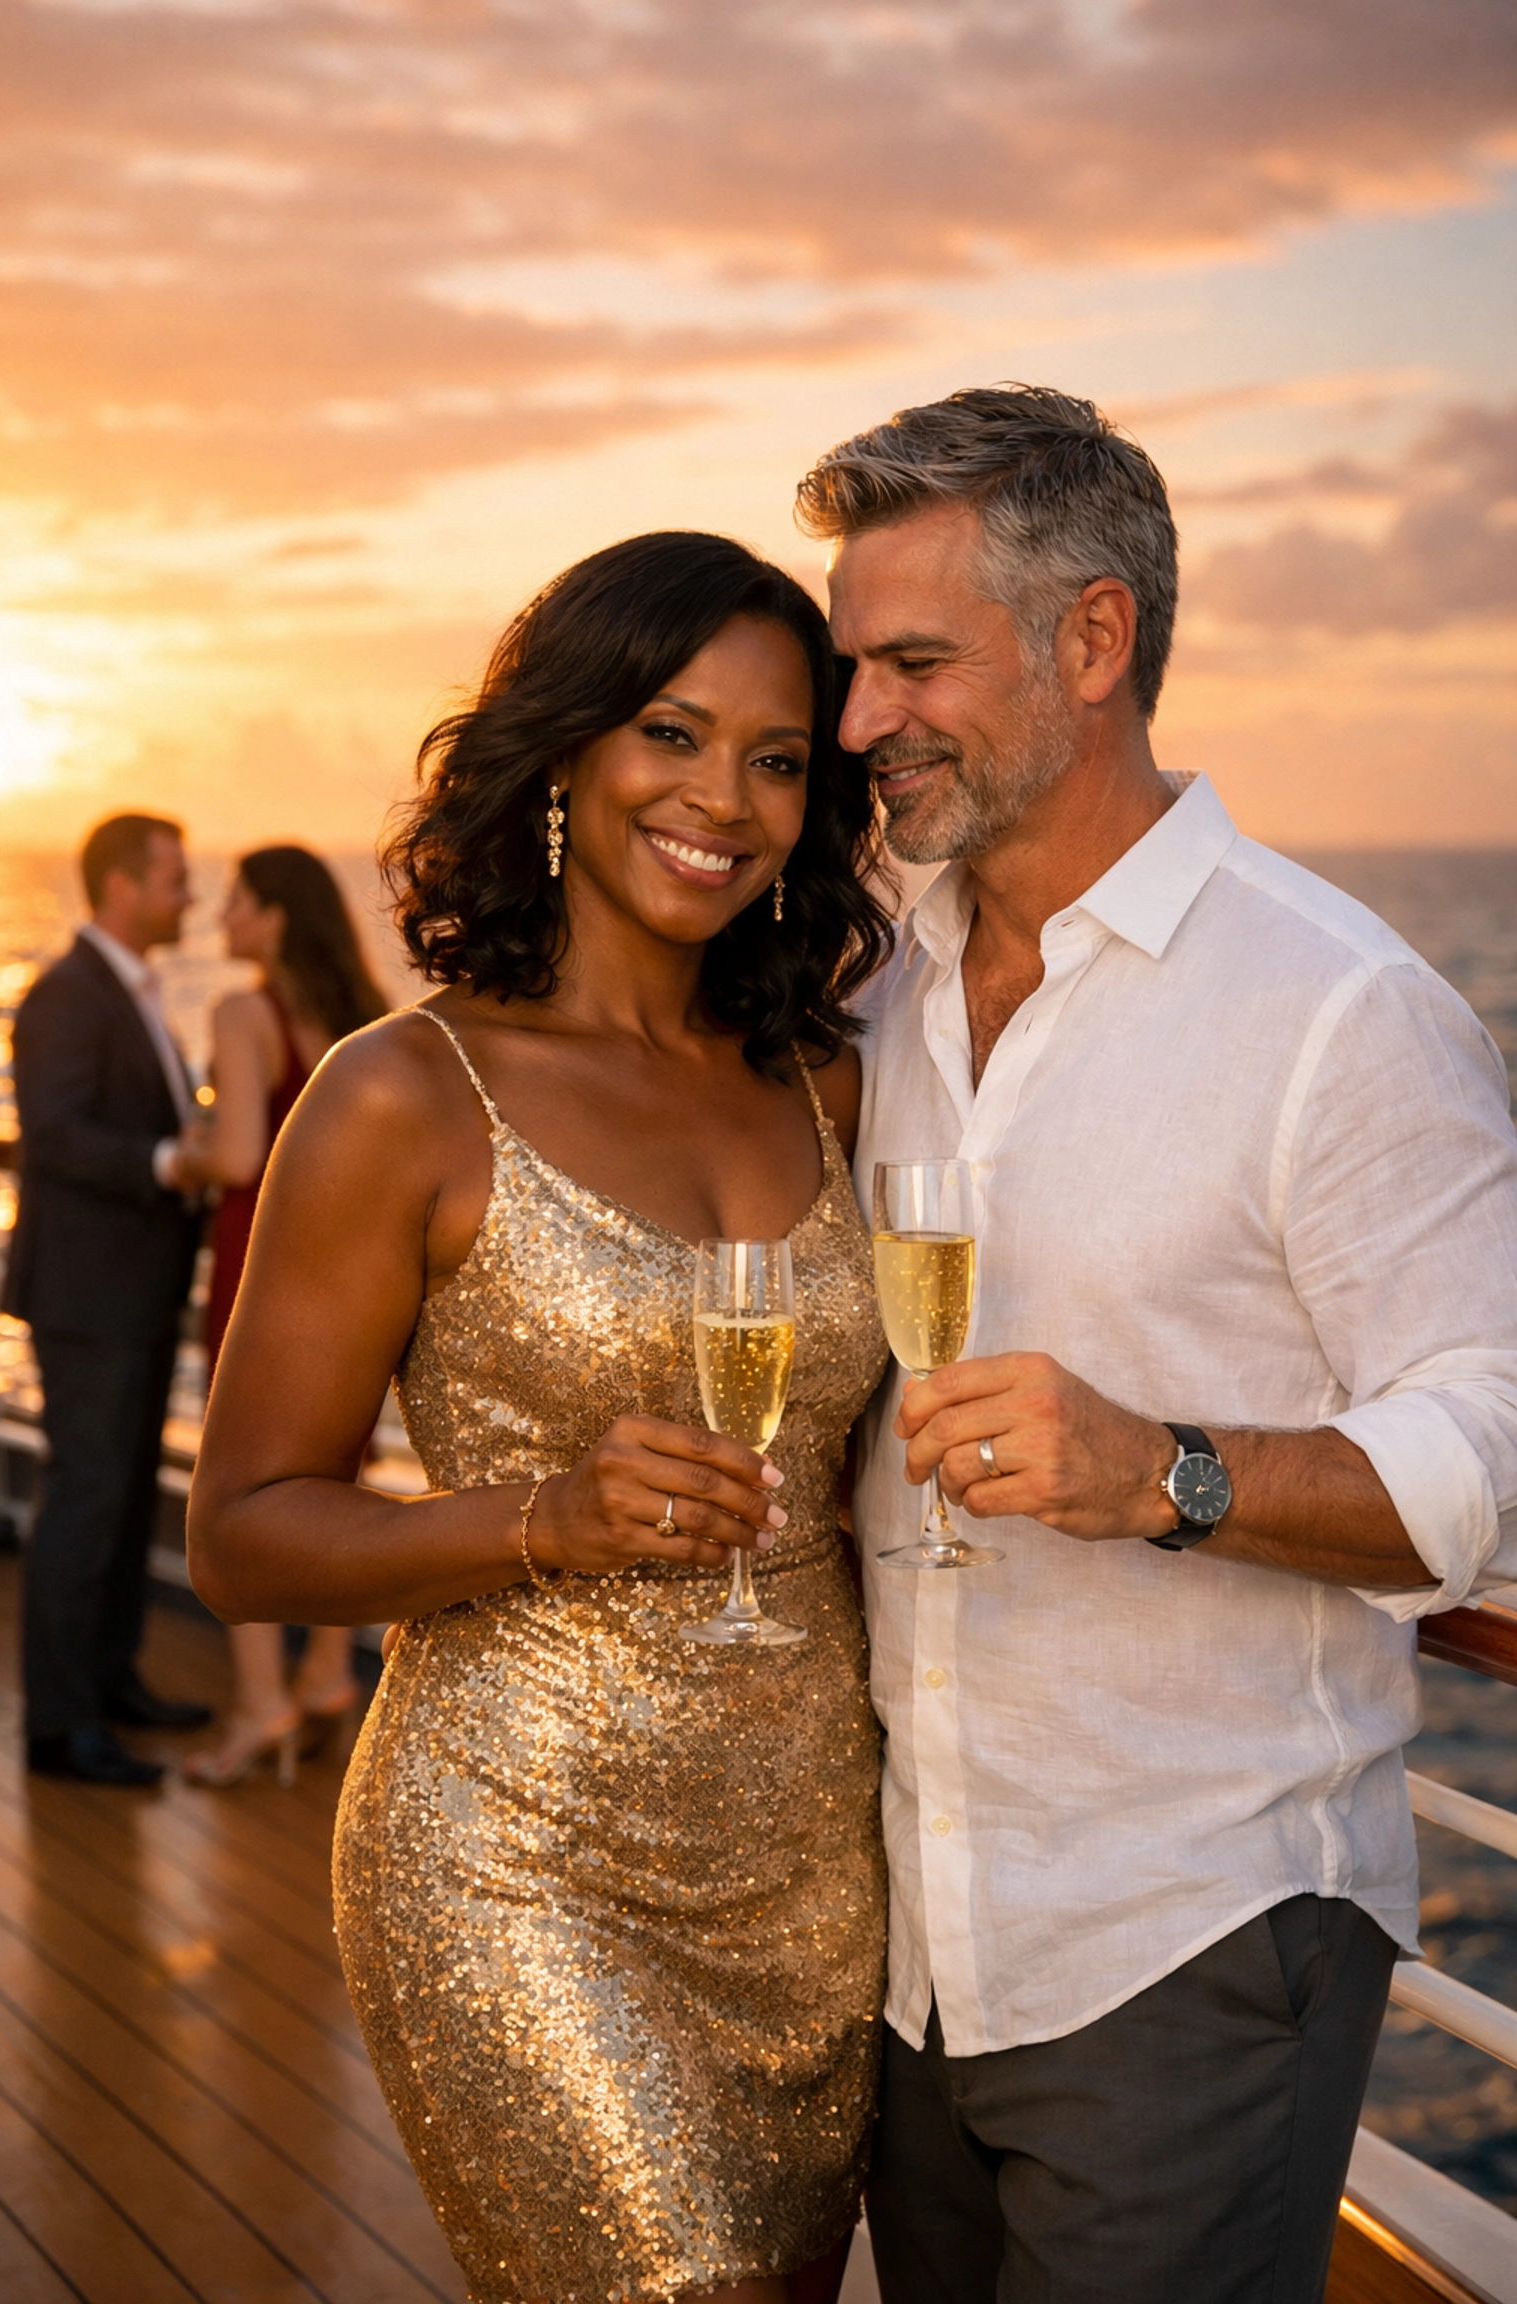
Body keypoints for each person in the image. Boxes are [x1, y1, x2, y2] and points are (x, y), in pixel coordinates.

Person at [794, 386, 1517, 2304]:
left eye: (915, 660)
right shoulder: (871, 977)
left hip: (1187, 1936)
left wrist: (1168, 1472)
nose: (859, 718)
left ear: (1092, 639)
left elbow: (1478, 1449)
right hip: (915, 1941)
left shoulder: (1343, 1008)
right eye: (854, 664)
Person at [186, 532, 895, 2304]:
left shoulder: (833, 1076)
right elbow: (245, 1529)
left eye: (779, 755)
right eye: (672, 730)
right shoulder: (402, 1093)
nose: (721, 797)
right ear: (570, 751)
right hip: (518, 1851)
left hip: (820, 1853)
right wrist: (540, 1516)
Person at [6, 813, 212, 1786]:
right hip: (87, 1296)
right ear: (124, 887)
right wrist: (172, 1160)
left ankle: (111, 1679)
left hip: (129, 1291)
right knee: (86, 1501)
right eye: (176, 880)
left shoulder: (129, 991)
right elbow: (52, 1138)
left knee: (124, 1496)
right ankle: (60, 1723)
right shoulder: (66, 995)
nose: (189, 899)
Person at [177, 846, 388, 1788]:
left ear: (274, 918)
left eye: (238, 903)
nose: (223, 920)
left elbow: (237, 1158)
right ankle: (329, 1675)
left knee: (249, 1488)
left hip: (263, 1267)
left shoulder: (242, 1012)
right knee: (334, 1474)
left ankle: (263, 1706)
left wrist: (182, 1153)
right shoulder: (358, 1018)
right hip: (355, 1277)